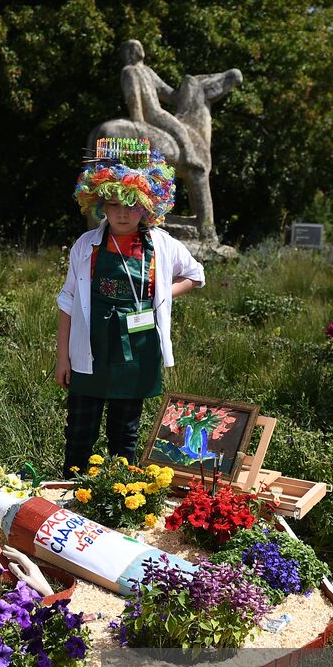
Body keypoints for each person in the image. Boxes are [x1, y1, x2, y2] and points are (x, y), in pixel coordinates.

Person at [56, 139, 204, 476]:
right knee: (80, 433)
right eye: (115, 204)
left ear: (149, 206)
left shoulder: (162, 244)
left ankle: (122, 496)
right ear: (101, 205)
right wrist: (62, 357)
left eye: (133, 204)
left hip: (137, 348)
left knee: (125, 435)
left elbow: (197, 275)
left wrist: (162, 292)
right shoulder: (85, 245)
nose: (123, 213)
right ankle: (70, 496)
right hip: (89, 350)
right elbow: (67, 301)